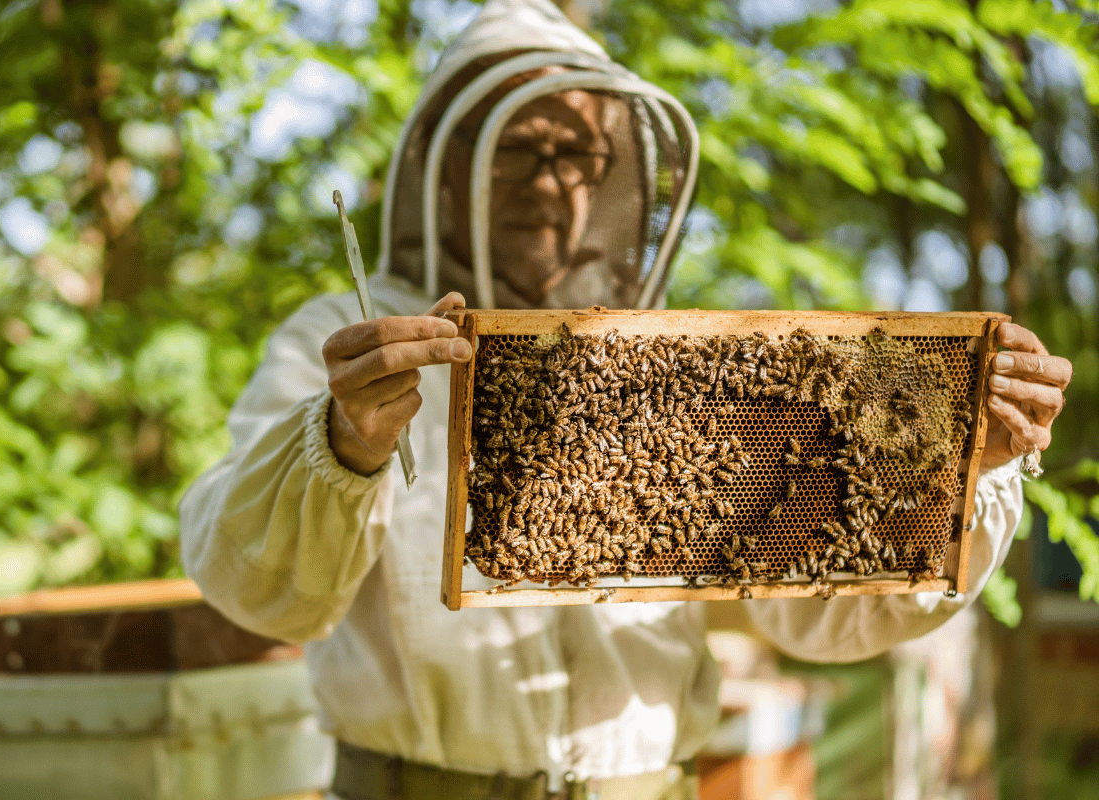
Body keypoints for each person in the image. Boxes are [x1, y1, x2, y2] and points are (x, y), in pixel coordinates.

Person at [180, 1, 1073, 798]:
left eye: (580, 156)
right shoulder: (346, 335)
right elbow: (255, 587)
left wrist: (957, 474)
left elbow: (820, 613)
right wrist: (342, 442)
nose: (548, 179)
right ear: (445, 171)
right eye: (517, 149)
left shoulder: (678, 360)